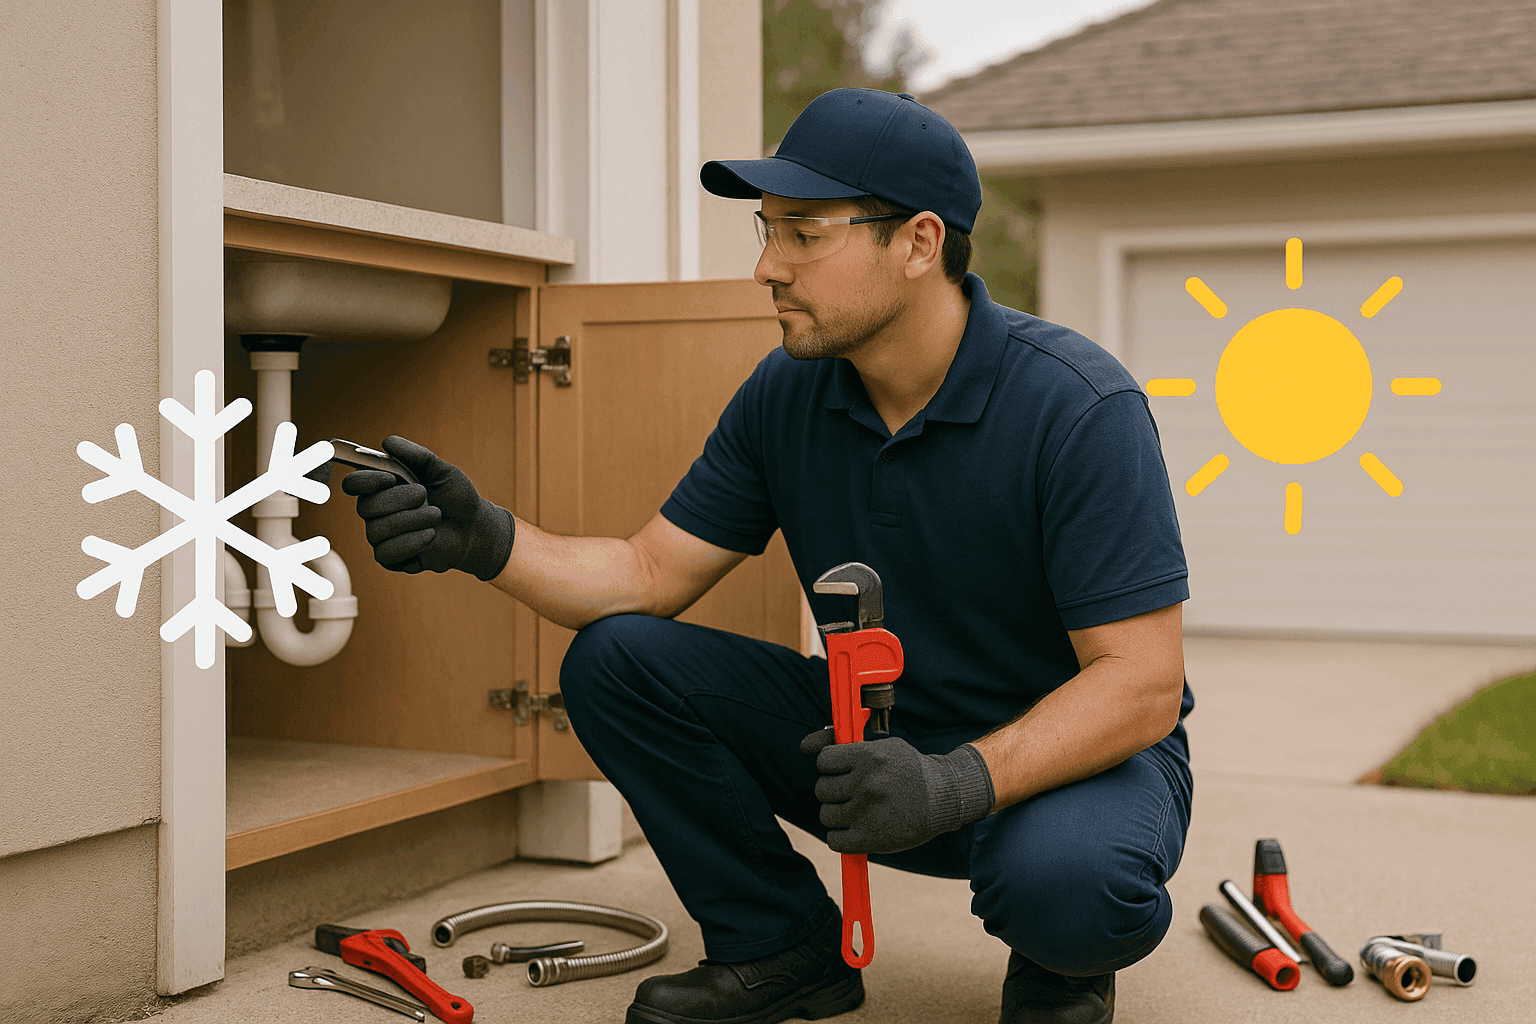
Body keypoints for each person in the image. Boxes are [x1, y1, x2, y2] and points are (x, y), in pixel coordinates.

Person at [342, 89, 1193, 1024]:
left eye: (803, 235)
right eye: (766, 231)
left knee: (1071, 888)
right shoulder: (787, 394)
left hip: (1064, 767)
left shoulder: (1077, 406)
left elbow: (1141, 683)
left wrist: (954, 781)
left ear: (917, 243)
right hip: (865, 759)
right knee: (619, 661)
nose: (764, 268)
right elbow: (648, 573)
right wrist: (486, 541)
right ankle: (780, 946)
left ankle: (1057, 963)